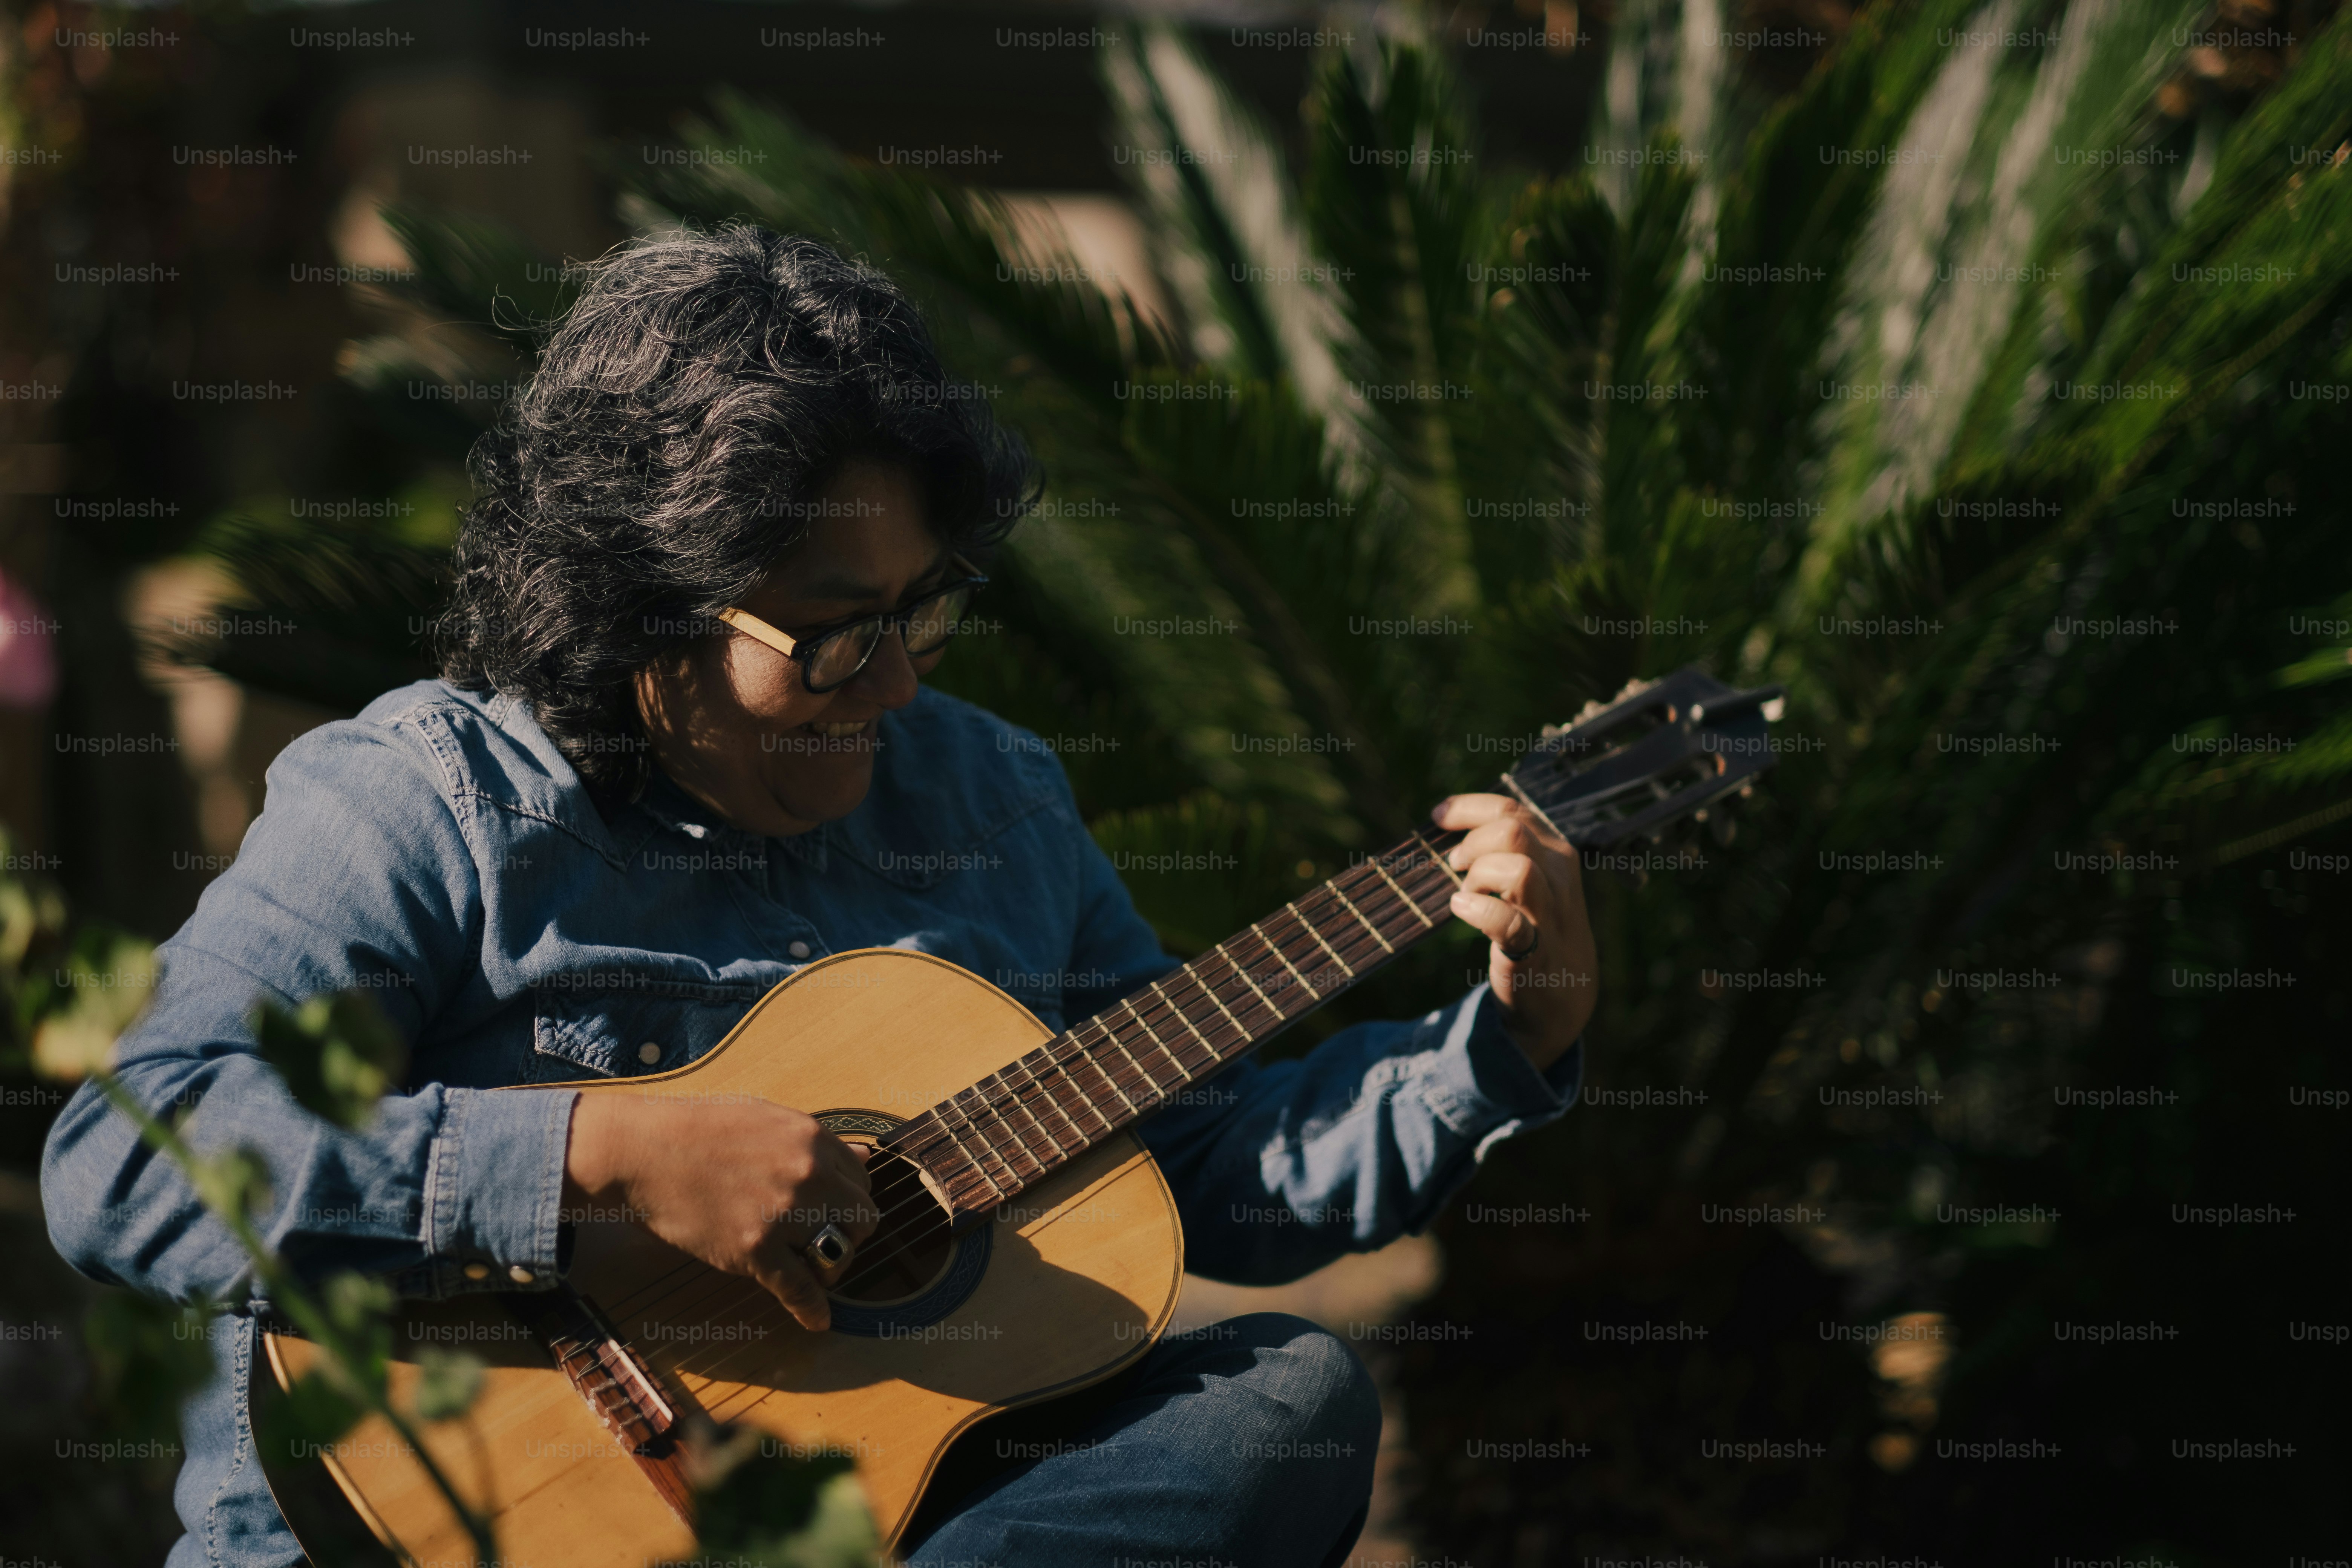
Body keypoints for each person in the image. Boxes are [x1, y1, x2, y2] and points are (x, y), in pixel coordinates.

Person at [41, 224, 1597, 1568]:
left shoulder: (991, 801)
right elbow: (127, 1154)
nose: (901, 677)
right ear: (637, 598)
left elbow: (1205, 1169)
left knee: (1284, 1397)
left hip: (892, 1518)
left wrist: (1506, 1036)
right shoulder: (425, 799)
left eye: (927, 606)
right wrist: (603, 1153)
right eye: (839, 632)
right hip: (413, 1522)